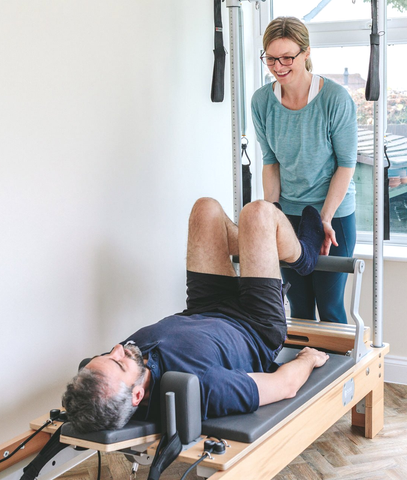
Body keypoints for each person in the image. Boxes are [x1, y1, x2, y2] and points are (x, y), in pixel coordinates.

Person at [62, 198, 330, 433]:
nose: (120, 349)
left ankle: (267, 236)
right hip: (254, 324)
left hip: (203, 307)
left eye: (108, 354)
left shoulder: (125, 367)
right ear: (137, 396)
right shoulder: (202, 388)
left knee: (206, 210)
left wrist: (114, 365)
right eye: (119, 363)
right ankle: (302, 255)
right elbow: (284, 385)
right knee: (258, 213)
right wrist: (307, 358)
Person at [251, 16, 358, 324]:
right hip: (290, 215)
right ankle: (302, 371)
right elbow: (270, 162)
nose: (278, 65)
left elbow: (346, 165)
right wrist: (272, 215)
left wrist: (324, 218)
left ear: (306, 53)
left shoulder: (334, 99)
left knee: (329, 306)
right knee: (297, 307)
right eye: (271, 58)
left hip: (333, 214)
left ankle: (340, 374)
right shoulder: (262, 102)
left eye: (287, 57)